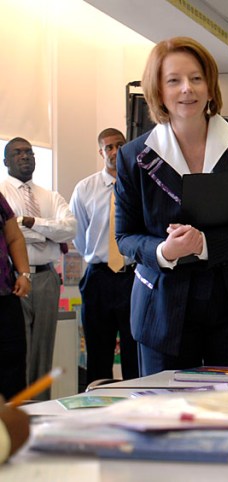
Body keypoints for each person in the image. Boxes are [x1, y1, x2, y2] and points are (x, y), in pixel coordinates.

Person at [114, 37, 228, 376]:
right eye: (173, 80)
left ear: (210, 85)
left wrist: (207, 245)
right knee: (167, 404)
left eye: (196, 78)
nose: (187, 89)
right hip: (163, 304)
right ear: (157, 89)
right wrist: (164, 251)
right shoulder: (133, 156)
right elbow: (125, 236)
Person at [0, 138, 76, 398]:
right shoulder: (2, 194)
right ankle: (19, 408)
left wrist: (32, 223)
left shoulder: (50, 196)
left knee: (44, 350)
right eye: (17, 153)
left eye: (29, 152)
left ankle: (41, 407)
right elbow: (12, 235)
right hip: (14, 280)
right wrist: (48, 232)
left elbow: (70, 229)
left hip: (46, 277)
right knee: (16, 351)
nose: (25, 156)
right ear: (6, 161)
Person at [70, 128, 138, 383]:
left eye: (120, 145)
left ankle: (137, 402)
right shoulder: (85, 188)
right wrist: (97, 255)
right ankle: (97, 401)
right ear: (101, 152)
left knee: (134, 350)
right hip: (98, 278)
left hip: (132, 277)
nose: (115, 151)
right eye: (109, 147)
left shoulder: (138, 184)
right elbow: (78, 234)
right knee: (98, 352)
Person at [0, 192, 31, 400]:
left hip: (5, 294)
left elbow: (14, 237)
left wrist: (24, 273)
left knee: (13, 362)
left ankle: (13, 416)